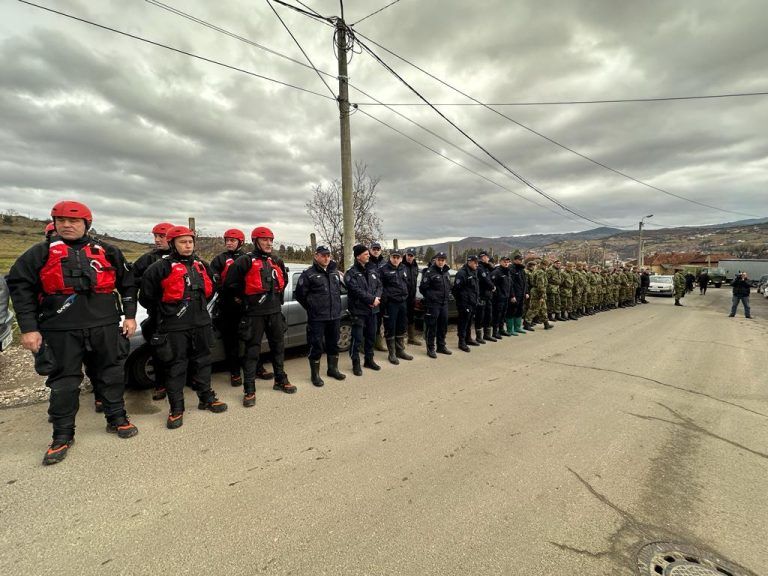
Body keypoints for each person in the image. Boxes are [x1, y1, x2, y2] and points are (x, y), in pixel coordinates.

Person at [8, 200, 139, 465]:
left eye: (74, 221)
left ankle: (117, 419)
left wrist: (130, 316)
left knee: (111, 374)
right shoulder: (39, 253)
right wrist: (29, 329)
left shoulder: (108, 251)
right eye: (62, 221)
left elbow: (128, 284)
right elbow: (20, 289)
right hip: (60, 329)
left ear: (86, 224)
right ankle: (62, 435)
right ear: (54, 223)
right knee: (64, 383)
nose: (67, 225)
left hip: (103, 324)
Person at [140, 226, 227, 427]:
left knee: (204, 362)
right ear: (172, 244)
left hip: (201, 323)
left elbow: (211, 291)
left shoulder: (202, 265)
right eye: (182, 242)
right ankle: (176, 408)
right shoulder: (159, 268)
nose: (187, 246)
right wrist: (168, 312)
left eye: (190, 242)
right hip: (174, 326)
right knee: (176, 366)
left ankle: (206, 398)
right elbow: (146, 297)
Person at [224, 226, 294, 403]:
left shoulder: (277, 260)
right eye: (265, 240)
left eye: (271, 240)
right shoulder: (245, 261)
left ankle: (280, 380)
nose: (269, 243)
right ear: (255, 241)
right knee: (251, 351)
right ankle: (249, 390)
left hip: (274, 312)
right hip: (254, 314)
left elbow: (283, 282)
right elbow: (231, 284)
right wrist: (244, 299)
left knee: (278, 347)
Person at [210, 229, 274, 386]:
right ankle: (235, 372)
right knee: (231, 342)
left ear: (241, 242)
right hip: (228, 306)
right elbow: (216, 283)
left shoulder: (248, 258)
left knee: (251, 340)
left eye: (233, 240)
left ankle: (257, 368)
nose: (229, 243)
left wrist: (244, 297)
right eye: (227, 240)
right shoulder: (219, 259)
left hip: (247, 306)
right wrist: (233, 296)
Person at [133, 222, 174, 401]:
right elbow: (131, 281)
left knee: (185, 348)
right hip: (158, 313)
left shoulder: (186, 258)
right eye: (155, 236)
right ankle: (160, 384)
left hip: (181, 313)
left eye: (161, 236)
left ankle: (189, 378)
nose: (157, 240)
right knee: (158, 350)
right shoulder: (148, 259)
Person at [295, 246, 347, 386]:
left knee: (333, 343)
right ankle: (315, 375)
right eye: (323, 255)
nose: (326, 258)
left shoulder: (334, 273)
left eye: (328, 255)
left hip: (334, 316)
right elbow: (299, 295)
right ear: (316, 256)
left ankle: (332, 369)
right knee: (316, 345)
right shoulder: (308, 274)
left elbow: (340, 291)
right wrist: (312, 307)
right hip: (317, 318)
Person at [344, 244, 383, 375]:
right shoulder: (351, 273)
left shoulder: (372, 270)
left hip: (373, 311)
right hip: (358, 311)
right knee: (358, 338)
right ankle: (355, 363)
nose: (368, 255)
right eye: (366, 254)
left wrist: (376, 298)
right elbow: (356, 291)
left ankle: (369, 360)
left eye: (368, 254)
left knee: (371, 336)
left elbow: (379, 285)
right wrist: (371, 300)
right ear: (358, 256)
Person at [379, 248, 413, 365]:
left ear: (401, 258)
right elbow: (380, 287)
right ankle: (392, 353)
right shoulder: (383, 269)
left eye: (398, 257)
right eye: (394, 257)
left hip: (402, 302)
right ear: (390, 257)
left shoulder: (403, 268)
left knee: (401, 327)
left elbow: (406, 283)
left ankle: (400, 350)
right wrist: (386, 299)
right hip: (391, 304)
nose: (396, 259)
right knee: (390, 328)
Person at [420, 252, 452, 358]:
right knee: (431, 327)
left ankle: (441, 346)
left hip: (444, 303)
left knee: (443, 326)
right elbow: (422, 288)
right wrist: (431, 297)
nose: (441, 262)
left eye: (443, 260)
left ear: (445, 261)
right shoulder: (430, 272)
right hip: (433, 304)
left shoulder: (446, 272)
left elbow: (448, 286)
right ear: (436, 260)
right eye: (439, 260)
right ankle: (431, 348)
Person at [452, 255, 480, 352]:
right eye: (475, 262)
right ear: (470, 262)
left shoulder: (474, 272)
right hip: (464, 304)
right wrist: (462, 303)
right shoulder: (462, 273)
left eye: (477, 262)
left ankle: (468, 338)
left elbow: (474, 289)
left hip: (472, 302)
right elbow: (456, 290)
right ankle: (462, 342)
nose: (477, 264)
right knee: (463, 323)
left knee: (469, 322)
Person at [368, 242, 387, 352]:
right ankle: (366, 344)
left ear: (380, 250)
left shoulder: (384, 263)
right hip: (370, 297)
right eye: (374, 249)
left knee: (379, 320)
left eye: (378, 249)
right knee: (369, 321)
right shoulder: (367, 262)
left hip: (382, 296)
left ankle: (378, 342)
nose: (376, 251)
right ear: (370, 250)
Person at [475, 251, 496, 343]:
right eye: (482, 257)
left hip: (488, 295)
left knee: (489, 315)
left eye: (486, 257)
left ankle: (487, 335)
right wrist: (493, 286)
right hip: (481, 295)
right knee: (480, 316)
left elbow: (491, 278)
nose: (484, 258)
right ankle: (479, 337)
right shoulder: (480, 268)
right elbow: (485, 280)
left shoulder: (487, 268)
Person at [403, 249, 422, 345]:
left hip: (412, 296)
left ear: (414, 256)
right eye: (408, 255)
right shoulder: (401, 265)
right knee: (402, 318)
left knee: (411, 317)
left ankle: (411, 338)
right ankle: (401, 340)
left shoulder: (415, 266)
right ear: (405, 255)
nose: (409, 257)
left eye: (411, 255)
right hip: (402, 297)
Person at [506, 252, 528, 335]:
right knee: (512, 311)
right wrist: (512, 295)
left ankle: (517, 327)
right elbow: (510, 284)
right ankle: (510, 329)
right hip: (514, 294)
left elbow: (525, 282)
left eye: (521, 260)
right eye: (519, 260)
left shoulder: (521, 269)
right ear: (514, 260)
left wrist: (526, 292)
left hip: (521, 294)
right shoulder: (511, 269)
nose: (520, 261)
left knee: (519, 310)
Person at [491, 256, 513, 337]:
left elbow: (509, 285)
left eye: (507, 262)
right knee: (497, 315)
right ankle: (494, 332)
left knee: (503, 315)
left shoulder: (507, 272)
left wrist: (511, 295)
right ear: (500, 262)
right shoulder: (496, 272)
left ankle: (501, 330)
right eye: (505, 262)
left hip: (506, 297)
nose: (506, 263)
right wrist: (498, 294)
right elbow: (492, 285)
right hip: (498, 298)